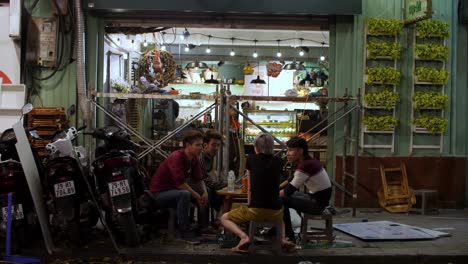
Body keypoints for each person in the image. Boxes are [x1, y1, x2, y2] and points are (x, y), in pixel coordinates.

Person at [220, 133, 294, 253]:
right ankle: (282, 239)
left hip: (255, 211)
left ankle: (244, 237)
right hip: (275, 212)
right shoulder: (279, 161)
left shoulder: (251, 159)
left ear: (257, 148)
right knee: (281, 214)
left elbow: (249, 187)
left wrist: (250, 203)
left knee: (224, 218)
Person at [149, 130, 208, 241]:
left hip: (173, 192)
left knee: (206, 192)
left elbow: (199, 179)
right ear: (188, 145)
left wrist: (204, 192)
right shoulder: (177, 157)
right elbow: (180, 184)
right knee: (184, 194)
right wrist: (196, 195)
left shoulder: (193, 158)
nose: (200, 148)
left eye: (201, 145)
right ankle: (184, 232)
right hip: (158, 195)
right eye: (197, 145)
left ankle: (203, 227)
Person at [280, 136, 332, 242]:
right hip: (318, 199)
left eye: (291, 150)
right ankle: (281, 230)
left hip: (318, 205)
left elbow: (288, 191)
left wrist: (269, 194)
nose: (287, 154)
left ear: (300, 151)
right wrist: (277, 187)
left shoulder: (305, 166)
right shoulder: (309, 161)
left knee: (281, 200)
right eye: (287, 150)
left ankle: (289, 235)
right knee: (288, 196)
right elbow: (292, 178)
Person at [197, 129, 225, 226]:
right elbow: (203, 180)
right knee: (209, 191)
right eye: (213, 145)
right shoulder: (201, 158)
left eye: (218, 145)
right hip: (193, 185)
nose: (216, 148)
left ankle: (218, 220)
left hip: (203, 184)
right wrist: (222, 185)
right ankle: (204, 226)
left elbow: (208, 177)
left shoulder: (210, 156)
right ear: (205, 145)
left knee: (221, 193)